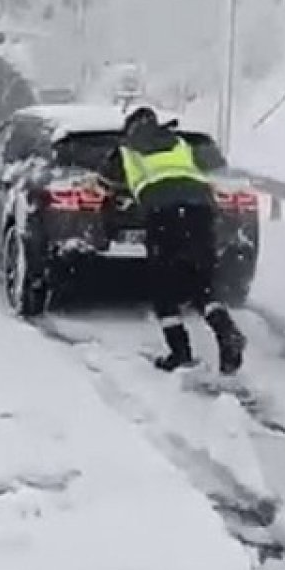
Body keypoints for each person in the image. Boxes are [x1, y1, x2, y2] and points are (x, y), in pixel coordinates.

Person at [104, 106, 246, 374]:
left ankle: (180, 352)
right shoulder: (179, 142)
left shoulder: (127, 149)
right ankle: (227, 332)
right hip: (201, 209)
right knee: (201, 280)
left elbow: (104, 182)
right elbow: (205, 172)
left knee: (163, 285)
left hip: (163, 213)